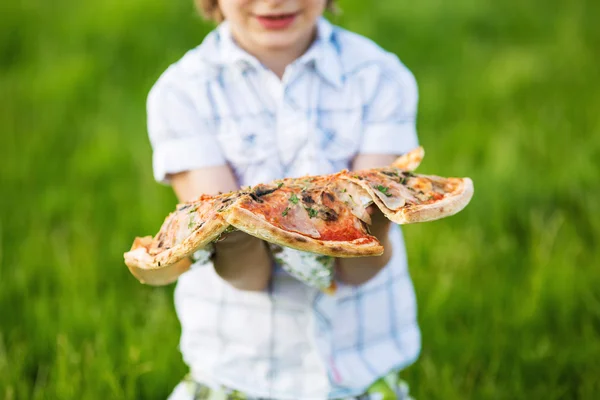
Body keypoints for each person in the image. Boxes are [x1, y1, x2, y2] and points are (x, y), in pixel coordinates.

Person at [146, 0, 421, 398]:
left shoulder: (380, 78)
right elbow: (246, 275)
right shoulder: (182, 94)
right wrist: (234, 227)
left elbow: (361, 265)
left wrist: (376, 214)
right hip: (239, 370)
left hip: (359, 368)